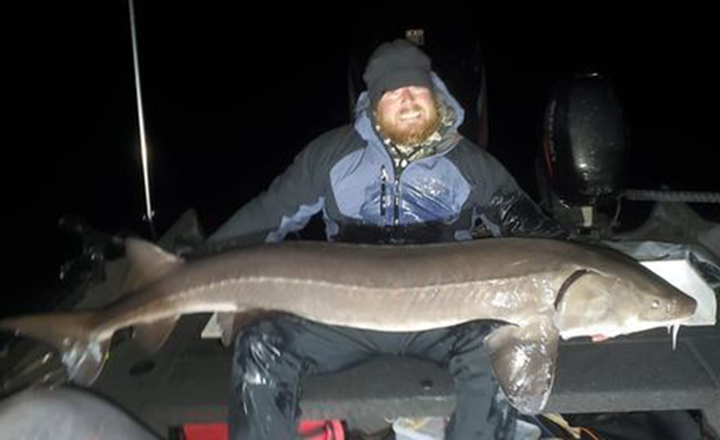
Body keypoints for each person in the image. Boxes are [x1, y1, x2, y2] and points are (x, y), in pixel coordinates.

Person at [209, 39, 565, 440]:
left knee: (496, 354)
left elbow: (537, 238)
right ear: (374, 104)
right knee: (261, 344)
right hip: (343, 315)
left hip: (445, 319)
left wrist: (590, 296)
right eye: (393, 92)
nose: (408, 99)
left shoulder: (472, 165)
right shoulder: (331, 156)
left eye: (416, 89)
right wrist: (198, 266)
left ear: (434, 94)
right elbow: (267, 216)